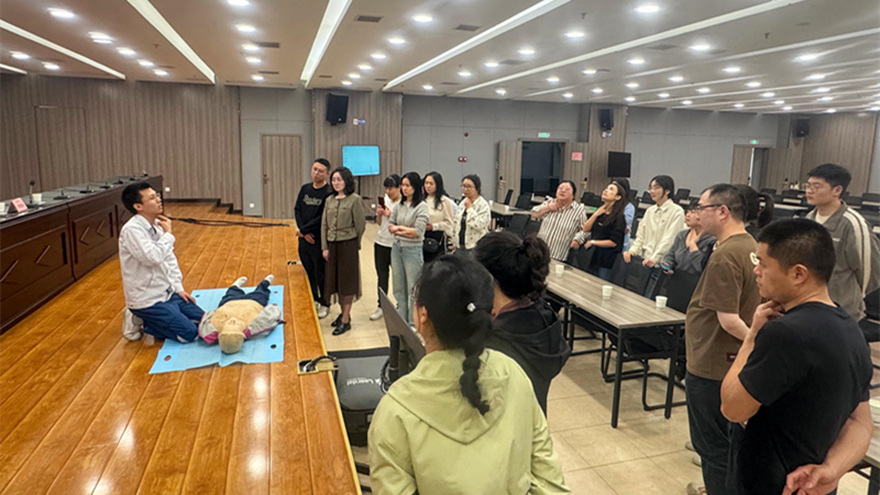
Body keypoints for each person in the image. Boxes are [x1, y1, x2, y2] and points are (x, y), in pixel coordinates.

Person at [368, 255, 570, 495]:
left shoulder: (395, 411)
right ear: (491, 313)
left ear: (422, 315)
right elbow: (551, 483)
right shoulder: (515, 374)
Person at [720, 219, 873, 495]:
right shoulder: (851, 330)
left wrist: (752, 336)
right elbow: (860, 422)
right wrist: (831, 469)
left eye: (763, 263)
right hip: (809, 484)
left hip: (770, 483)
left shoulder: (783, 334)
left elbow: (733, 408)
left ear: (798, 274)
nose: (756, 271)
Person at [684, 184, 762, 495]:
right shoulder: (751, 246)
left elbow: (728, 319)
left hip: (713, 363)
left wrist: (754, 342)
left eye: (701, 208)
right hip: (731, 360)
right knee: (729, 444)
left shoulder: (726, 254)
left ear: (722, 211)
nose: (697, 214)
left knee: (713, 448)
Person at [474, 231, 571, 414]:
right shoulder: (544, 316)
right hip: (533, 423)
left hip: (503, 427)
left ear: (487, 279)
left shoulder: (495, 341)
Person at [119, 182, 205, 342]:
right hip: (147, 299)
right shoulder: (132, 230)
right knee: (189, 333)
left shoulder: (158, 226)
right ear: (138, 206)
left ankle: (158, 316)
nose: (159, 199)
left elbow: (169, 260)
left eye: (157, 195)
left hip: (167, 292)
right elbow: (153, 258)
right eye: (152, 198)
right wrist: (168, 234)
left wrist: (178, 288)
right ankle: (140, 319)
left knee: (205, 321)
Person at [804, 163, 880, 323]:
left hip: (842, 311)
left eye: (816, 186)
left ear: (837, 190)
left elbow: (870, 273)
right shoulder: (808, 219)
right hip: (809, 305)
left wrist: (852, 296)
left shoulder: (853, 224)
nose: (809, 190)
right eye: (808, 185)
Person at [321, 167, 365, 336]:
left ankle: (345, 320)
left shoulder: (355, 200)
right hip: (332, 244)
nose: (336, 183)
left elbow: (360, 225)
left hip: (348, 245)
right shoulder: (329, 200)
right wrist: (325, 247)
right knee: (336, 283)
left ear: (347, 181)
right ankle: (343, 314)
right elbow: (324, 224)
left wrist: (355, 244)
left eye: (339, 179)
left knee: (347, 284)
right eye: (334, 180)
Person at [388, 172, 429, 325]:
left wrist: (399, 229)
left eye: (407, 185)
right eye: (402, 185)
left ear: (415, 187)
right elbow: (390, 225)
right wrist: (403, 231)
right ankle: (401, 319)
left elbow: (417, 232)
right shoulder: (399, 205)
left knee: (413, 287)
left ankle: (413, 322)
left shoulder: (421, 206)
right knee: (398, 286)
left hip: (412, 250)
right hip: (397, 248)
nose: (404, 189)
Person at [295, 158, 333, 319]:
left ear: (327, 174)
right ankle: (315, 299)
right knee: (309, 271)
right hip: (304, 239)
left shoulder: (329, 192)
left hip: (318, 239)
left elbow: (322, 217)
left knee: (320, 273)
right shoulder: (305, 188)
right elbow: (297, 209)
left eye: (320, 171)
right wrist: (303, 233)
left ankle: (325, 303)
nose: (316, 173)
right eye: (314, 169)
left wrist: (304, 230)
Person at [623, 174, 685, 267]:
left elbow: (669, 239)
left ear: (667, 191)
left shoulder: (677, 211)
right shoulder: (650, 211)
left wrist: (655, 258)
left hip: (662, 263)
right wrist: (632, 251)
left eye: (656, 188)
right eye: (650, 188)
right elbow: (641, 235)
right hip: (645, 260)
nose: (652, 191)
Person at [579, 180, 629, 281]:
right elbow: (585, 228)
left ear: (617, 197)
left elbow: (613, 242)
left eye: (611, 189)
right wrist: (596, 214)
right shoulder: (600, 213)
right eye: (606, 188)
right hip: (594, 257)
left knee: (601, 284)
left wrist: (593, 242)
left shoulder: (619, 218)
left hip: (607, 260)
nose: (605, 191)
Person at [530, 180, 589, 261]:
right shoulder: (550, 202)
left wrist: (577, 239)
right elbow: (534, 213)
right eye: (560, 188)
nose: (563, 191)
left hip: (558, 254)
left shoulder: (578, 211)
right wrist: (549, 207)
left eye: (567, 189)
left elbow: (586, 230)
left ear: (573, 195)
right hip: (539, 251)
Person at [371, 174, 401, 321]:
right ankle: (381, 305)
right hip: (381, 243)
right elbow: (379, 223)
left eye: (391, 188)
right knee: (382, 276)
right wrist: (379, 214)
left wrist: (390, 215)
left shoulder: (403, 204)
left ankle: (401, 306)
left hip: (396, 244)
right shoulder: (385, 200)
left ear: (399, 188)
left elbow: (403, 224)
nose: (388, 192)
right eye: (386, 188)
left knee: (399, 277)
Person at [662, 199, 715, 276]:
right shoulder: (682, 235)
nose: (687, 215)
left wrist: (692, 245)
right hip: (676, 278)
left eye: (693, 212)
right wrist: (667, 264)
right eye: (688, 212)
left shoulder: (711, 240)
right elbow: (670, 256)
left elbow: (701, 267)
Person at [452, 174, 491, 251]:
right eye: (463, 186)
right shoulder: (463, 202)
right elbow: (456, 223)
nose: (465, 189)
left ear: (477, 188)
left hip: (475, 246)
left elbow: (480, 225)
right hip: (460, 245)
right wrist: (454, 243)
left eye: (469, 186)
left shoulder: (483, 205)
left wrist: (470, 209)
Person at [423, 171, 455, 263]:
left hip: (437, 239)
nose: (428, 186)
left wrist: (434, 226)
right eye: (426, 183)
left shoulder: (444, 201)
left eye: (431, 183)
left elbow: (449, 224)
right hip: (421, 237)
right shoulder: (421, 200)